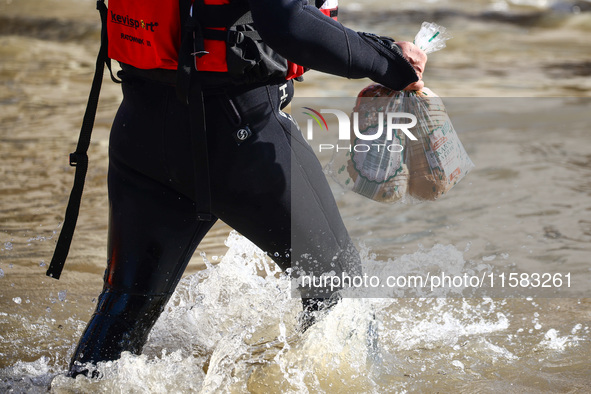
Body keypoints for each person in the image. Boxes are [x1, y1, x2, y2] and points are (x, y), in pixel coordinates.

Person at [66, 0, 427, 377]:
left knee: (125, 308)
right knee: (339, 288)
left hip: (140, 134)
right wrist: (389, 61)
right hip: (239, 134)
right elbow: (288, 24)